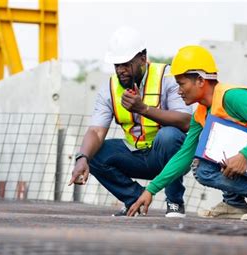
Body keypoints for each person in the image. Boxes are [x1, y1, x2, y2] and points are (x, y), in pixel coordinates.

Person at [127, 45, 247, 221]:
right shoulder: (200, 114)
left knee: (202, 168)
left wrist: (244, 156)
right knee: (205, 151)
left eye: (181, 83)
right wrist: (150, 190)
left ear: (200, 80)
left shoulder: (233, 97)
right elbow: (184, 155)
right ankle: (234, 204)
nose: (179, 91)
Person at [68, 26, 192, 217]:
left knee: (170, 136)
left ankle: (175, 202)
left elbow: (185, 121)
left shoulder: (166, 78)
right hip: (134, 154)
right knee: (95, 153)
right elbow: (96, 132)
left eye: (126, 64)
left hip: (164, 155)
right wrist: (82, 158)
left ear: (143, 58)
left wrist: (143, 109)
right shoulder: (109, 88)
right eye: (117, 65)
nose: (121, 70)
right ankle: (134, 199)